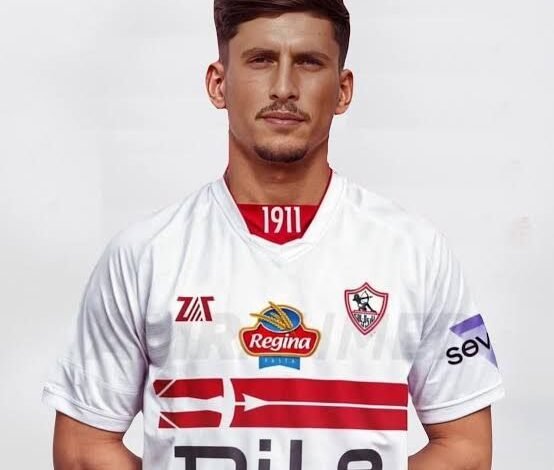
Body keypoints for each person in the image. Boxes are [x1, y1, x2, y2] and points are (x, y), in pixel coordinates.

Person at [42, 1, 504, 468]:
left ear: (343, 90)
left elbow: (465, 447)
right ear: (218, 83)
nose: (284, 87)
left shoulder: (416, 252)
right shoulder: (143, 255)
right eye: (261, 60)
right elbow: (83, 448)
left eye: (309, 62)